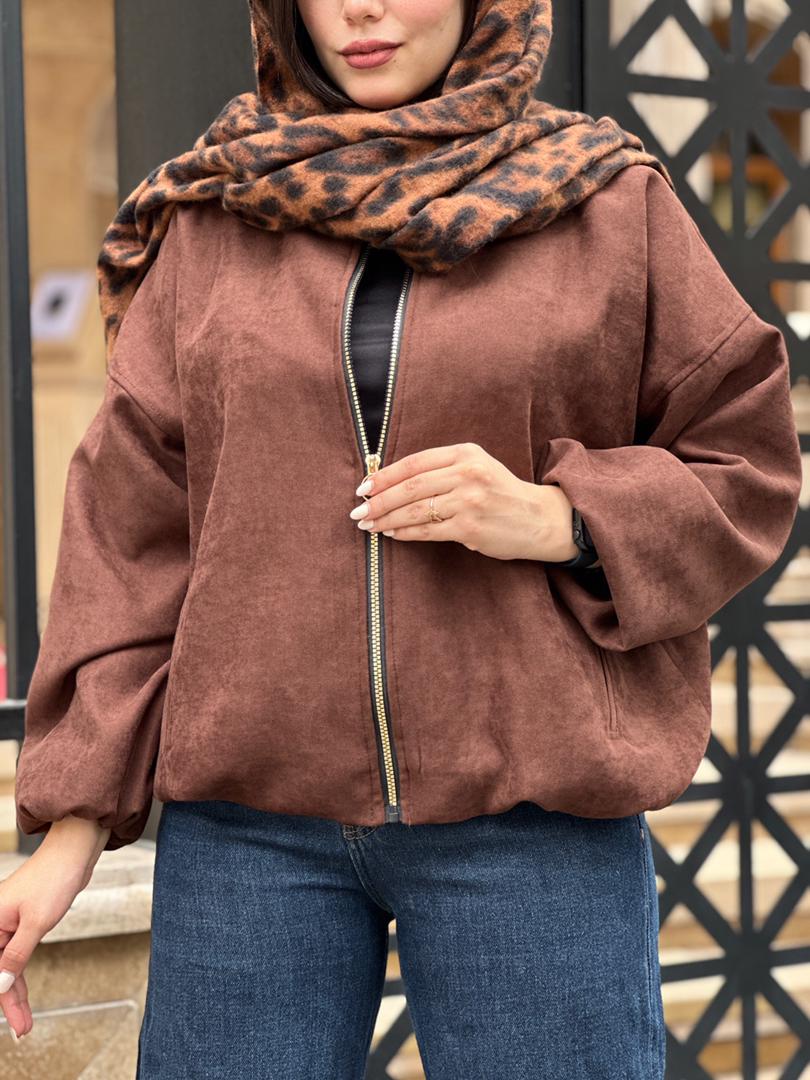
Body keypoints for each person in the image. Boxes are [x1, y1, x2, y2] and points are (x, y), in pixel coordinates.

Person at [1, 0, 802, 1075]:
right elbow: (131, 534)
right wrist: (71, 834)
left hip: (530, 820)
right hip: (247, 832)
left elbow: (745, 461)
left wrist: (561, 519)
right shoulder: (215, 214)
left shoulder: (605, 201)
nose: (360, 10)